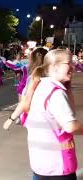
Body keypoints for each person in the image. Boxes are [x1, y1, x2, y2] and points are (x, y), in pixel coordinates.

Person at [21, 49, 82, 179]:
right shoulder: (56, 93)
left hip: (40, 165)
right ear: (54, 67)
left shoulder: (37, 85)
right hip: (58, 167)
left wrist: (68, 89)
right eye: (69, 63)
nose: (73, 66)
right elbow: (70, 126)